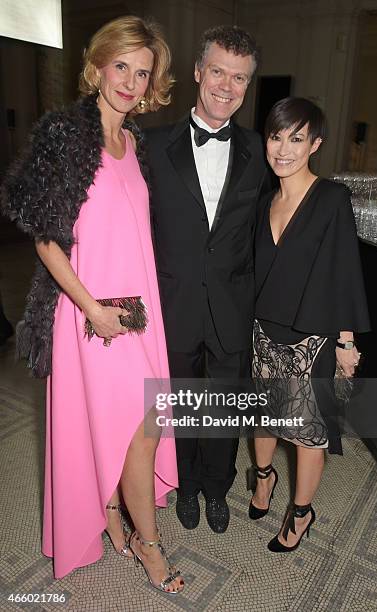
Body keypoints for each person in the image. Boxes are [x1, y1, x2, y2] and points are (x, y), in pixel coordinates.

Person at [1, 16, 184, 592]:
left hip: (136, 309)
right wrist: (91, 309)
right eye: (121, 65)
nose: (129, 81)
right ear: (99, 64)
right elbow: (47, 239)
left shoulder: (136, 143)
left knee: (138, 417)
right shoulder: (65, 133)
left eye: (142, 71)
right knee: (138, 425)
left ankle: (112, 513)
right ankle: (149, 544)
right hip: (89, 311)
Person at [145, 25, 270, 534]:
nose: (226, 85)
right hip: (172, 303)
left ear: (247, 85)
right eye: (217, 71)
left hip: (232, 307)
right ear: (198, 73)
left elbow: (272, 228)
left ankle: (216, 488)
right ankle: (187, 485)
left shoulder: (263, 151)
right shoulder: (150, 146)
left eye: (239, 77)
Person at [249, 97, 370, 552]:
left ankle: (301, 514)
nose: (283, 149)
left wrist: (346, 342)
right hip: (262, 330)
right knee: (262, 420)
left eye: (296, 139)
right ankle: (263, 479)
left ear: (315, 144)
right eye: (276, 137)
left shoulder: (332, 198)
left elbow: (344, 271)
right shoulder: (263, 201)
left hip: (312, 337)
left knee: (306, 431)